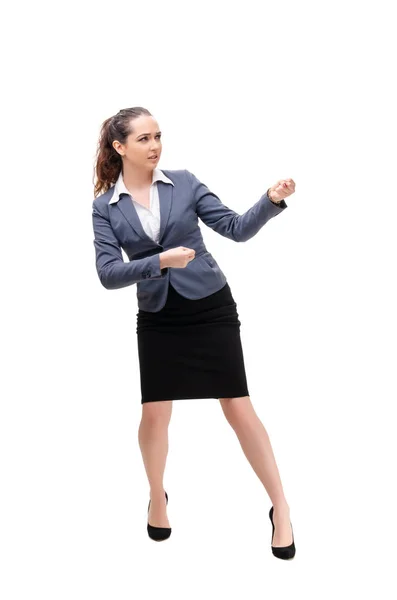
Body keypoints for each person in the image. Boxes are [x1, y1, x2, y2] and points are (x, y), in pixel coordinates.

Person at [91, 106, 296, 558]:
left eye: (158, 135)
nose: (155, 145)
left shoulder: (184, 181)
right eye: (143, 139)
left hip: (210, 305)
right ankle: (157, 495)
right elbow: (108, 273)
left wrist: (270, 199)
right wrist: (160, 262)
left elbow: (235, 228)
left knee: (239, 406)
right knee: (154, 413)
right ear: (120, 147)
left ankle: (281, 506)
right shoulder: (105, 207)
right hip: (159, 315)